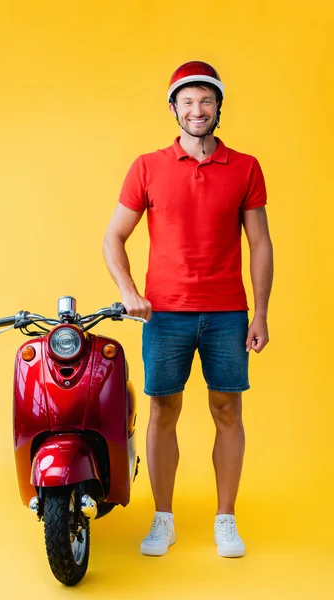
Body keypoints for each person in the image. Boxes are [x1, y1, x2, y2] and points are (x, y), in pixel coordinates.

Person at [103, 61, 273, 558]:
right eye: (188, 101)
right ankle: (163, 519)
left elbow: (259, 243)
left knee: (227, 410)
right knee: (162, 410)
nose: (197, 110)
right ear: (174, 108)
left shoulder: (245, 167)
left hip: (227, 313)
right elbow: (114, 235)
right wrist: (130, 289)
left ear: (218, 106)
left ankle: (225, 519)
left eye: (206, 101)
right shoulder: (147, 166)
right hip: (165, 314)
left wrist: (260, 313)